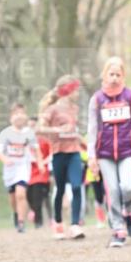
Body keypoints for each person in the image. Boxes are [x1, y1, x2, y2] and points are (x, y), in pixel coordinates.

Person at [87, 56, 131, 248]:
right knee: (112, 190)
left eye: (118, 75)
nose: (114, 78)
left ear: (123, 76)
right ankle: (118, 229)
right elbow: (92, 128)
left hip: (127, 151)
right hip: (104, 153)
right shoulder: (97, 99)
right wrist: (91, 156)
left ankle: (128, 212)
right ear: (104, 75)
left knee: (127, 187)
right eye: (111, 74)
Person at [37, 75, 85, 240]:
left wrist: (81, 140)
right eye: (76, 89)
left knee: (77, 187)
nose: (78, 93)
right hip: (58, 154)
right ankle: (57, 223)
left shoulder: (75, 109)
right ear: (67, 90)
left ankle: (75, 225)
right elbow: (39, 128)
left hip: (74, 153)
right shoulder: (52, 110)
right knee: (60, 190)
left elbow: (74, 130)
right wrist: (58, 131)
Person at [0, 103, 41, 233]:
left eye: (21, 113)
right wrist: (5, 159)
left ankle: (21, 222)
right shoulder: (5, 133)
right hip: (10, 169)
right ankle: (15, 213)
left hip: (23, 167)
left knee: (21, 194)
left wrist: (40, 163)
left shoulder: (29, 133)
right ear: (10, 117)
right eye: (16, 114)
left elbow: (36, 150)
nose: (19, 116)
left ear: (25, 116)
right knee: (13, 197)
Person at [26, 126, 51, 229]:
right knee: (29, 197)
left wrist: (44, 163)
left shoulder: (45, 142)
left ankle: (38, 221)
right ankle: (34, 212)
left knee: (38, 198)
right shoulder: (26, 143)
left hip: (41, 174)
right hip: (29, 173)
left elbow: (51, 154)